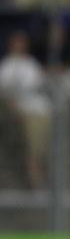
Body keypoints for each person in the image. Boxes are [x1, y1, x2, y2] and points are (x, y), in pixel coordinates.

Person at [0, 30, 52, 189]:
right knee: (34, 147)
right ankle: (34, 179)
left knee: (45, 147)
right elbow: (4, 91)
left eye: (22, 41)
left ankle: (43, 175)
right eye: (16, 41)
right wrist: (14, 109)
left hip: (43, 109)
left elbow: (41, 83)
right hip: (26, 111)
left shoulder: (31, 62)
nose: (19, 45)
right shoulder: (7, 65)